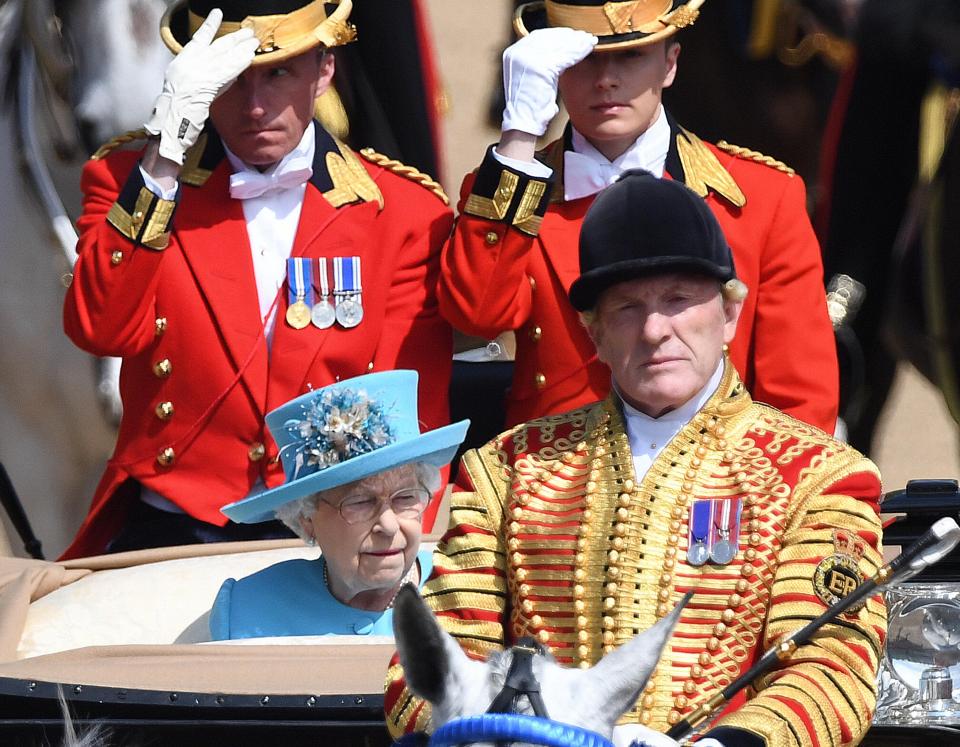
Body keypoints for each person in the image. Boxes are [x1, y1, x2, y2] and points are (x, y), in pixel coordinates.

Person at [386, 172, 885, 747]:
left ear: (728, 314)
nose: (654, 330)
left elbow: (831, 669)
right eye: (626, 308)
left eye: (677, 300)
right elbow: (426, 662)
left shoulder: (816, 475)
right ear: (593, 333)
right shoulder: (508, 469)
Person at [61, 0, 454, 559]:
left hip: (338, 533)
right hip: (172, 527)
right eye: (230, 80)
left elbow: (413, 411)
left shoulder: (404, 212)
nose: (254, 106)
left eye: (278, 73)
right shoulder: (132, 182)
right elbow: (101, 329)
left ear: (324, 71)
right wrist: (164, 158)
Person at [438, 0, 839, 434]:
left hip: (715, 489)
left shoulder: (763, 198)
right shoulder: (509, 189)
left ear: (670, 64)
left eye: (630, 55)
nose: (606, 79)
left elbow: (801, 402)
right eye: (583, 58)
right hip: (555, 487)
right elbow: (476, 316)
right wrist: (517, 139)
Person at [209, 370, 468, 639]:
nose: (389, 526)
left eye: (406, 498)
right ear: (306, 520)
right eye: (360, 502)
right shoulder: (248, 610)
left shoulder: (471, 597)